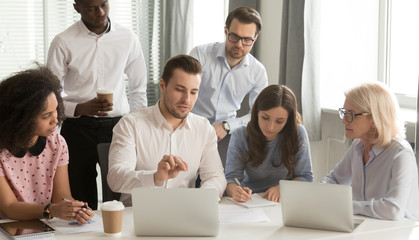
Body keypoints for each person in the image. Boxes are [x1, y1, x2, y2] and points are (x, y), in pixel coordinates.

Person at [46, 0, 147, 209]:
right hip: (77, 128)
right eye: (91, 8)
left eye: (104, 4)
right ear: (77, 7)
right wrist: (79, 108)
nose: (100, 12)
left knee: (121, 197)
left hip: (118, 128)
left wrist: (137, 129)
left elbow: (138, 89)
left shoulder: (128, 38)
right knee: (80, 200)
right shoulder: (63, 41)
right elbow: (50, 94)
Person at [107, 55, 227, 206]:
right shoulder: (131, 124)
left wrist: (203, 199)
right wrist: (155, 177)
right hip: (138, 216)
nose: (187, 100)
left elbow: (216, 177)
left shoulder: (203, 128)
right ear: (163, 86)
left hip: (185, 214)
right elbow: (115, 178)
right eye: (179, 90)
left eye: (193, 92)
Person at [0, 66, 94, 224]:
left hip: (45, 225)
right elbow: (9, 207)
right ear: (20, 118)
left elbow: (61, 197)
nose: (55, 120)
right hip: (8, 227)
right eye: (46, 115)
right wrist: (50, 210)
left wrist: (76, 210)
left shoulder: (57, 144)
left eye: (56, 110)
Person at [321, 82, 419, 222]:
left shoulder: (401, 154)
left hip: (403, 231)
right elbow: (334, 180)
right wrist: (318, 194)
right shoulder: (357, 146)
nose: (344, 121)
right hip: (368, 226)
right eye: (344, 113)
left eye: (351, 115)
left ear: (375, 117)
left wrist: (348, 206)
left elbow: (393, 210)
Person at [189, 6, 268, 165]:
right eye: (234, 36)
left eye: (247, 40)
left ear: (255, 38)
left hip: (226, 135)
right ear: (226, 31)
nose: (239, 44)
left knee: (224, 183)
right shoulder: (200, 55)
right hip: (191, 129)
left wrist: (226, 126)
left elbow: (258, 114)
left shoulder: (257, 72)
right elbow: (182, 91)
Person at [225, 85, 313, 203]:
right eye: (265, 118)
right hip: (252, 200)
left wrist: (283, 188)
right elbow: (231, 179)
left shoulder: (298, 133)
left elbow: (306, 178)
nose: (270, 127)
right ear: (256, 113)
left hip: (285, 200)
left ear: (288, 120)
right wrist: (235, 191)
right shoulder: (240, 135)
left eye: (279, 121)